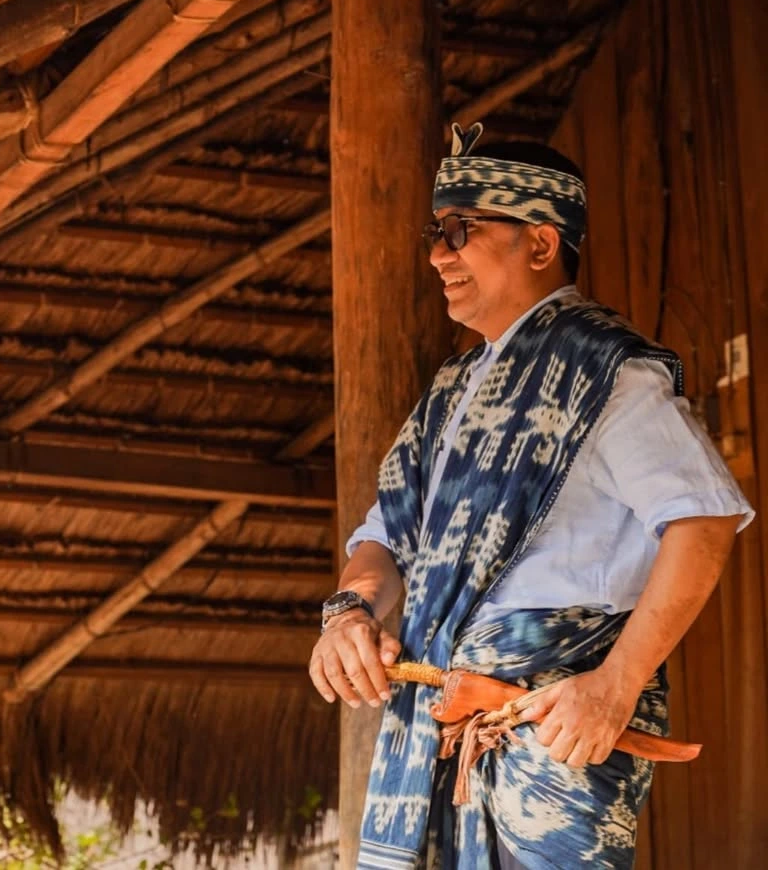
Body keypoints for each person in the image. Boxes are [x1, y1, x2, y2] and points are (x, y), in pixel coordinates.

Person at [309, 123, 753, 870]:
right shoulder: (449, 395)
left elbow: (703, 521)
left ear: (541, 244)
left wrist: (615, 686)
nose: (436, 254)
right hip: (435, 735)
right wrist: (350, 612)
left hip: (551, 743)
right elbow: (385, 537)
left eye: (460, 230)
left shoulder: (608, 372)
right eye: (434, 232)